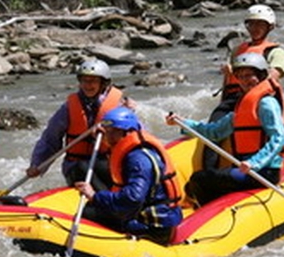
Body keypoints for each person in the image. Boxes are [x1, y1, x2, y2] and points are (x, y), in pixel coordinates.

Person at [167, 53, 284, 206]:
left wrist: (254, 163)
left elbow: (279, 138)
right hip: (248, 170)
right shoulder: (241, 107)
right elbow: (214, 132)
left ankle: (212, 213)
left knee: (200, 179)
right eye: (241, 76)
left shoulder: (266, 103)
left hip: (264, 172)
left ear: (261, 75)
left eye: (249, 75)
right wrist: (183, 123)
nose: (245, 81)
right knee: (200, 180)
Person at [74, 107, 183, 243]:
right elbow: (116, 152)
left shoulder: (138, 160)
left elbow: (133, 198)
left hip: (153, 227)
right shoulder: (136, 150)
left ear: (127, 133)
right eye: (108, 131)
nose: (108, 135)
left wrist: (95, 196)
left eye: (113, 132)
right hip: (156, 220)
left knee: (89, 212)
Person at [203, 4, 284, 174]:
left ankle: (260, 164)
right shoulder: (238, 50)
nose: (255, 28)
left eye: (260, 24)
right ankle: (209, 169)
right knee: (215, 121)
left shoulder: (276, 52)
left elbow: (273, 75)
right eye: (252, 24)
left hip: (258, 100)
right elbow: (228, 82)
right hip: (234, 99)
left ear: (269, 27)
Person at [26, 58, 129, 191]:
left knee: (111, 167)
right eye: (84, 80)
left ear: (103, 83)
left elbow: (134, 136)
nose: (87, 85)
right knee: (82, 167)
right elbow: (50, 139)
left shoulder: (119, 105)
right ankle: (103, 200)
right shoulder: (69, 107)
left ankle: (114, 198)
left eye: (93, 81)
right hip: (76, 166)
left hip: (107, 162)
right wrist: (37, 165)